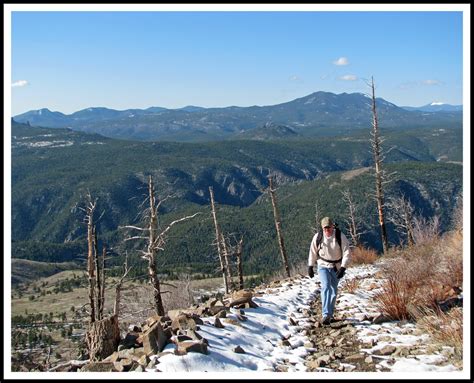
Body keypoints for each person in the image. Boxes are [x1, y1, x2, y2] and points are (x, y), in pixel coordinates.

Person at [308, 216, 351, 325]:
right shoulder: (318, 237)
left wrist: (343, 267)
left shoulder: (340, 236)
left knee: (333, 290)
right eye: (325, 228)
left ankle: (330, 314)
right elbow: (312, 252)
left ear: (333, 226)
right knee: (326, 287)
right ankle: (326, 314)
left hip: (336, 266)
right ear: (322, 228)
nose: (327, 230)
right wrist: (310, 266)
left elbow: (347, 252)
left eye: (329, 228)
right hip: (322, 265)